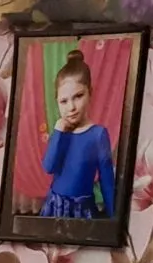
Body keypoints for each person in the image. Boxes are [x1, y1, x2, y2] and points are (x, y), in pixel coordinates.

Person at [37, 50, 116, 220]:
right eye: (64, 101)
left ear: (90, 92)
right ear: (57, 102)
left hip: (82, 210)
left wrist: (114, 221)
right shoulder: (61, 132)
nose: (71, 107)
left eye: (78, 96)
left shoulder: (98, 134)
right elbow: (49, 167)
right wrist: (58, 131)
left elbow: (107, 181)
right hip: (55, 206)